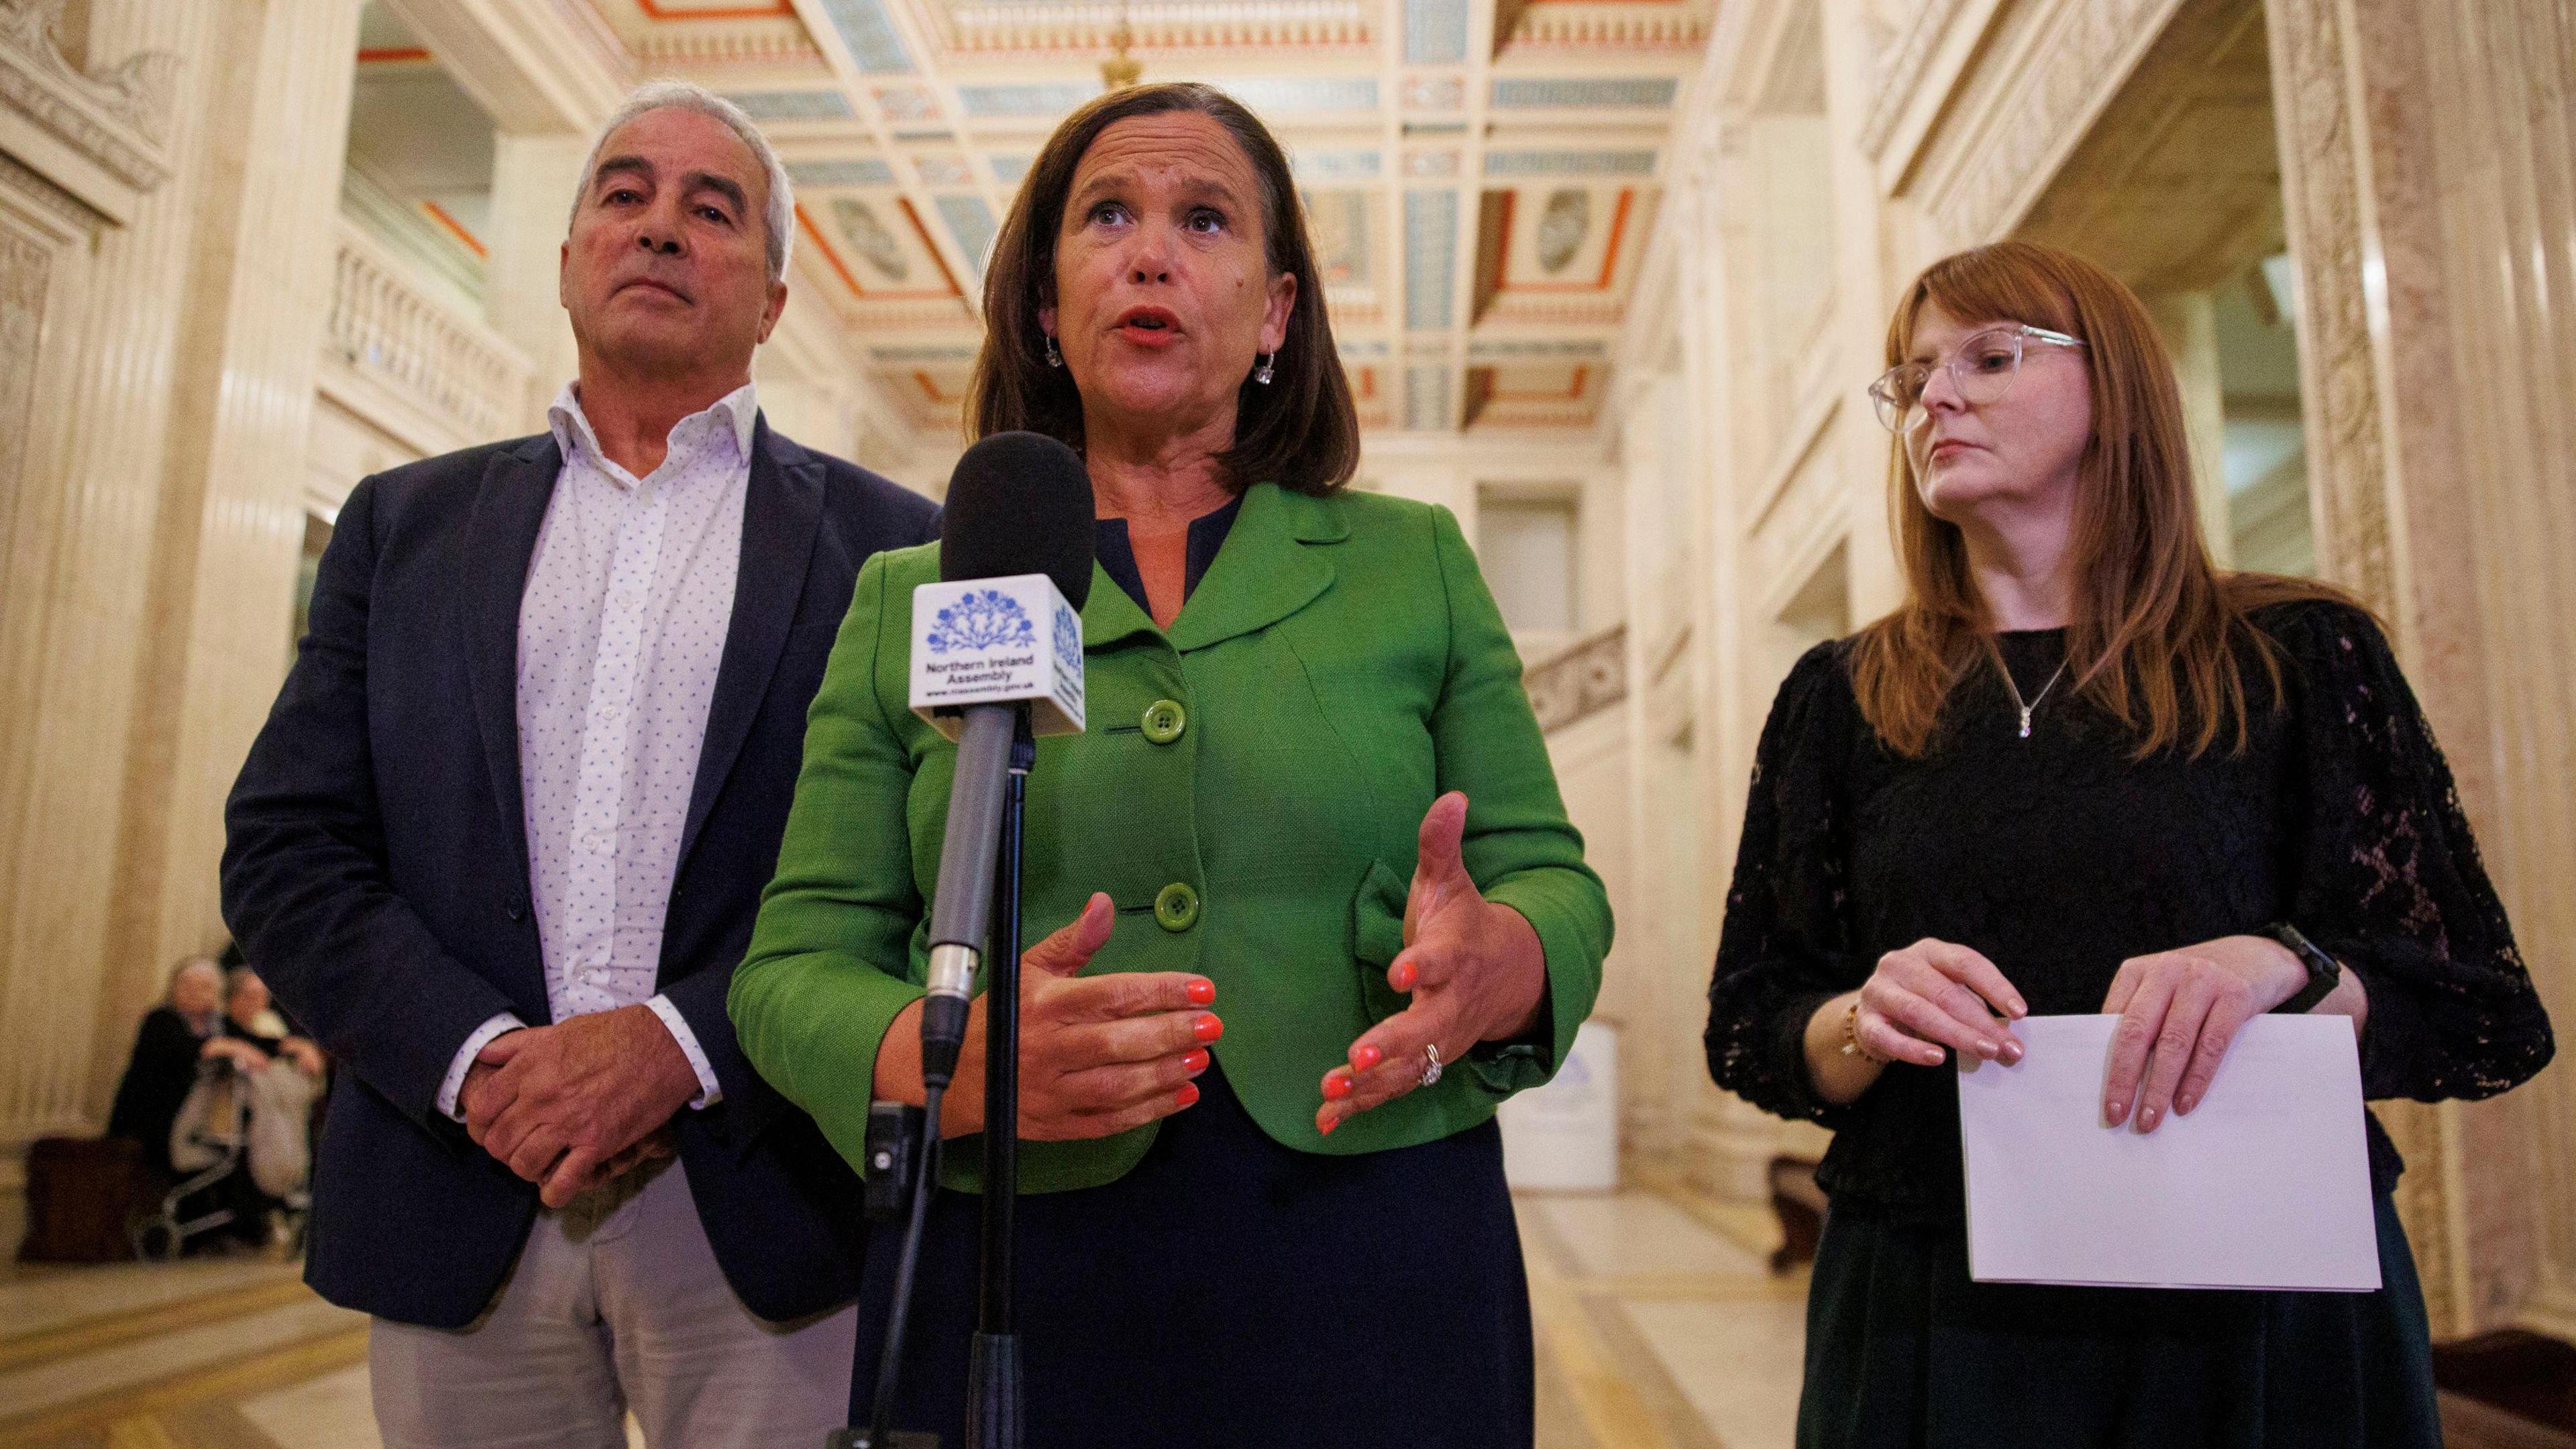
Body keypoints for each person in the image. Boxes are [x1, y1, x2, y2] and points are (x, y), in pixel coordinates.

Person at [729, 80, 1613, 1447]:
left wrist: (1503, 959)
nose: (1151, 252)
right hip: (1018, 1260)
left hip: (1376, 1251)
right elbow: (794, 965)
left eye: (1205, 220)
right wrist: (937, 1057)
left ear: (1275, 312)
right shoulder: (915, 595)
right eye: (1107, 217)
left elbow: (1549, 879)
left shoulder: (1413, 563)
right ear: (1045, 304)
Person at [1703, 240, 2555, 1448]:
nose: (1935, 396)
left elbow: (2476, 1007)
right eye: (1915, 375)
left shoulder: (2300, 655)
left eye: (1990, 359)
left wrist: (2281, 963)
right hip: (1934, 1297)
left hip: (2254, 1291)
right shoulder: (1839, 695)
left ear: (2115, 389)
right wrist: (1862, 1017)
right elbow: (1753, 1024)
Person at [221, 80, 938, 1448]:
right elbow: (287, 846)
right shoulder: (403, 526)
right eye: (625, 193)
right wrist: (478, 1060)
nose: (660, 226)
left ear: (775, 299)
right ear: (564, 262)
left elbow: (926, 869)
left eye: (711, 209)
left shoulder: (899, 547)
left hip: (770, 1198)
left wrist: (681, 1045)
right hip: (458, 1182)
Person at [107, 956, 229, 1179]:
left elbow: (251, 1041)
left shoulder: (217, 1024)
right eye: (187, 984)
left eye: (204, 987)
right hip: (151, 1123)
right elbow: (183, 1049)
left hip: (195, 1122)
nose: (194, 992)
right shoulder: (160, 1019)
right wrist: (226, 1046)